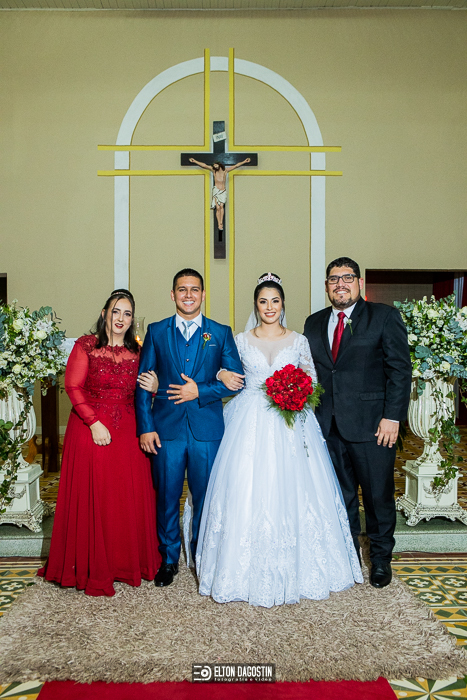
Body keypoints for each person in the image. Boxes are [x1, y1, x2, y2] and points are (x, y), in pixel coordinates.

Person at [196, 273, 363, 608]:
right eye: (263, 301)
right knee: (245, 485)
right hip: (248, 418)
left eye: (275, 300)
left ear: (283, 303)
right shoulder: (241, 340)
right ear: (255, 306)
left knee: (296, 487)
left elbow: (312, 380)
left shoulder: (298, 340)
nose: (269, 307)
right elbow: (220, 369)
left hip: (291, 420)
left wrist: (296, 392)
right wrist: (221, 373)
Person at [38, 290, 161, 597]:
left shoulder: (138, 351)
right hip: (90, 428)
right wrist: (94, 423)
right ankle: (91, 565)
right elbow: (73, 386)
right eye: (116, 311)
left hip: (128, 431)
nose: (121, 318)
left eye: (127, 314)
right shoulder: (86, 345)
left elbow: (144, 394)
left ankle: (124, 563)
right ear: (105, 313)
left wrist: (156, 386)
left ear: (132, 320)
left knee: (124, 498)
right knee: (95, 495)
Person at [303, 257, 412, 589]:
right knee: (341, 496)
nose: (341, 284)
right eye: (334, 279)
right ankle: (347, 556)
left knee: (378, 497)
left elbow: (400, 370)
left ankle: (380, 559)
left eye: (347, 277)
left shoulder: (384, 317)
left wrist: (392, 417)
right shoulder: (313, 322)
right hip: (328, 427)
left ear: (359, 283)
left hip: (373, 427)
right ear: (326, 286)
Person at [135, 268, 244, 588]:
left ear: (203, 295)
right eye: (182, 289)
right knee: (166, 496)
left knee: (206, 497)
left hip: (206, 430)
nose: (188, 295)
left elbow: (238, 380)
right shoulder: (156, 331)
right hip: (165, 430)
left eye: (194, 289)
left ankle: (202, 556)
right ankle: (168, 559)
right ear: (172, 294)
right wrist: (145, 427)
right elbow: (143, 382)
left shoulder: (220, 332)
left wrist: (202, 390)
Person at [188, 158, 251, 231]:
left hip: (223, 191)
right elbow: (204, 166)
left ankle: (221, 222)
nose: (215, 167)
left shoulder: (225, 171)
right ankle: (219, 224)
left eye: (216, 165)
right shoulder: (214, 171)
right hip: (216, 191)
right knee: (217, 208)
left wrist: (244, 161)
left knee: (221, 206)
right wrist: (195, 161)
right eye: (214, 166)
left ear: (219, 165)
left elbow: (236, 166)